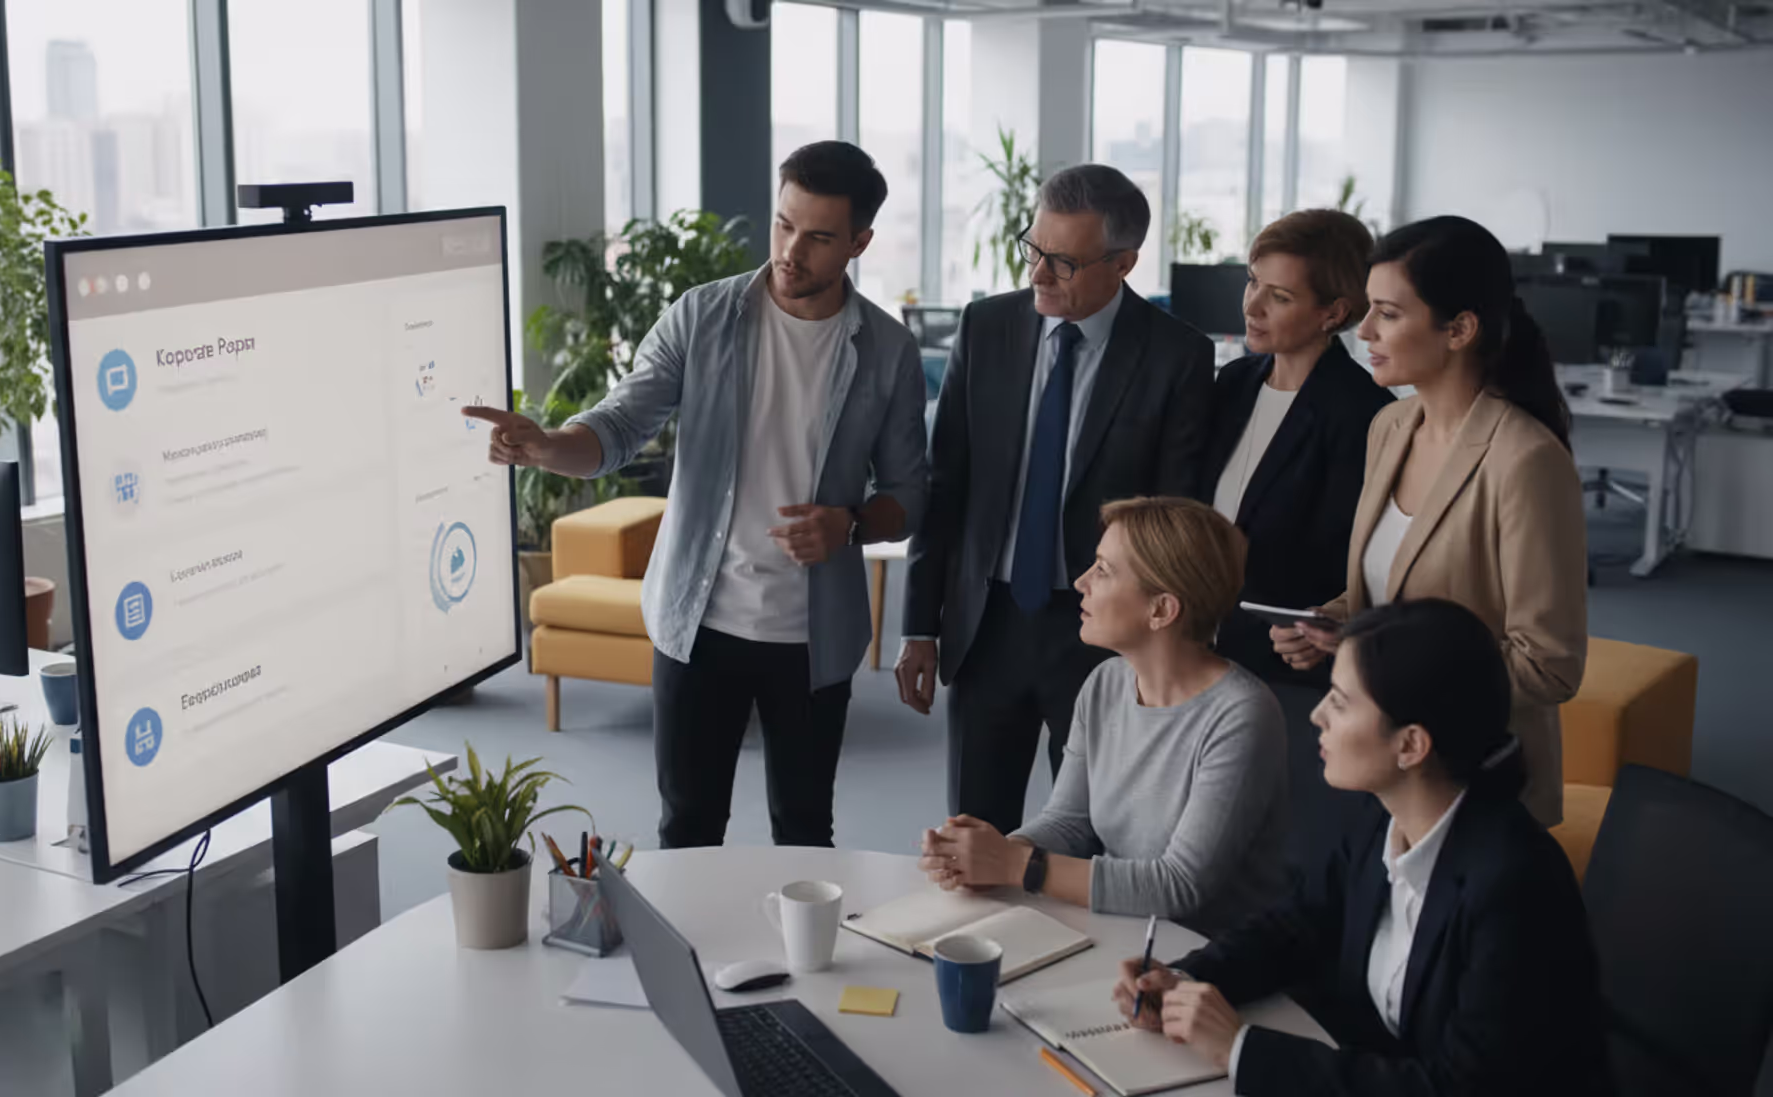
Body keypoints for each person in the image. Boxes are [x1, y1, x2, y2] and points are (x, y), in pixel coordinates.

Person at [463, 141, 928, 849]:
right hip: (696, 625)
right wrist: (549, 444)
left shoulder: (888, 351)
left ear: (860, 241)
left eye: (819, 236)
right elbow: (620, 425)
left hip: (813, 639)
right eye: (782, 224)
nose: (791, 250)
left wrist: (851, 522)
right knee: (687, 825)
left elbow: (907, 493)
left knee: (805, 829)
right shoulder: (702, 316)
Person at [1117, 599, 1612, 1096]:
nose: (1315, 715)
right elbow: (1297, 927)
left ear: (1411, 746)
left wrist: (1241, 1049)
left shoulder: (1514, 883)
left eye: (1339, 700)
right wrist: (1185, 979)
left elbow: (1462, 1088)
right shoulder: (1382, 816)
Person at [897, 164, 1215, 836]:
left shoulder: (1176, 356)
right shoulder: (986, 327)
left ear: (1123, 264)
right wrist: (919, 625)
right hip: (987, 623)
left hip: (1103, 633)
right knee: (974, 828)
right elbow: (945, 486)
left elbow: (1172, 516)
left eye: (1063, 262)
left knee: (1093, 830)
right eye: (1034, 249)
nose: (1039, 274)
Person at [1270, 215, 1587, 828]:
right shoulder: (1390, 427)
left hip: (1472, 788)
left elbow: (1549, 664)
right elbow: (1391, 592)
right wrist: (1332, 622)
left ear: (1460, 329)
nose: (1363, 330)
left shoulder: (1525, 460)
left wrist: (1386, 668)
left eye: (1388, 314)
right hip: (1380, 771)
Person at [917, 497, 1285, 936]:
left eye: (1103, 571)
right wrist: (990, 855)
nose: (1079, 582)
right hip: (1117, 930)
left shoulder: (1241, 715)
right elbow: (1070, 821)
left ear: (1162, 610)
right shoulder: (1106, 682)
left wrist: (1018, 865)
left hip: (1205, 960)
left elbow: (1179, 886)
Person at [1202, 209, 1392, 863]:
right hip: (1202, 662)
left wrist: (1330, 626)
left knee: (1275, 855)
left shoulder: (1365, 415)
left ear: (1333, 311)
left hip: (1290, 673)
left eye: (1279, 295)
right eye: (1253, 282)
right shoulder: (1231, 384)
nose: (1253, 304)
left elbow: (1364, 560)